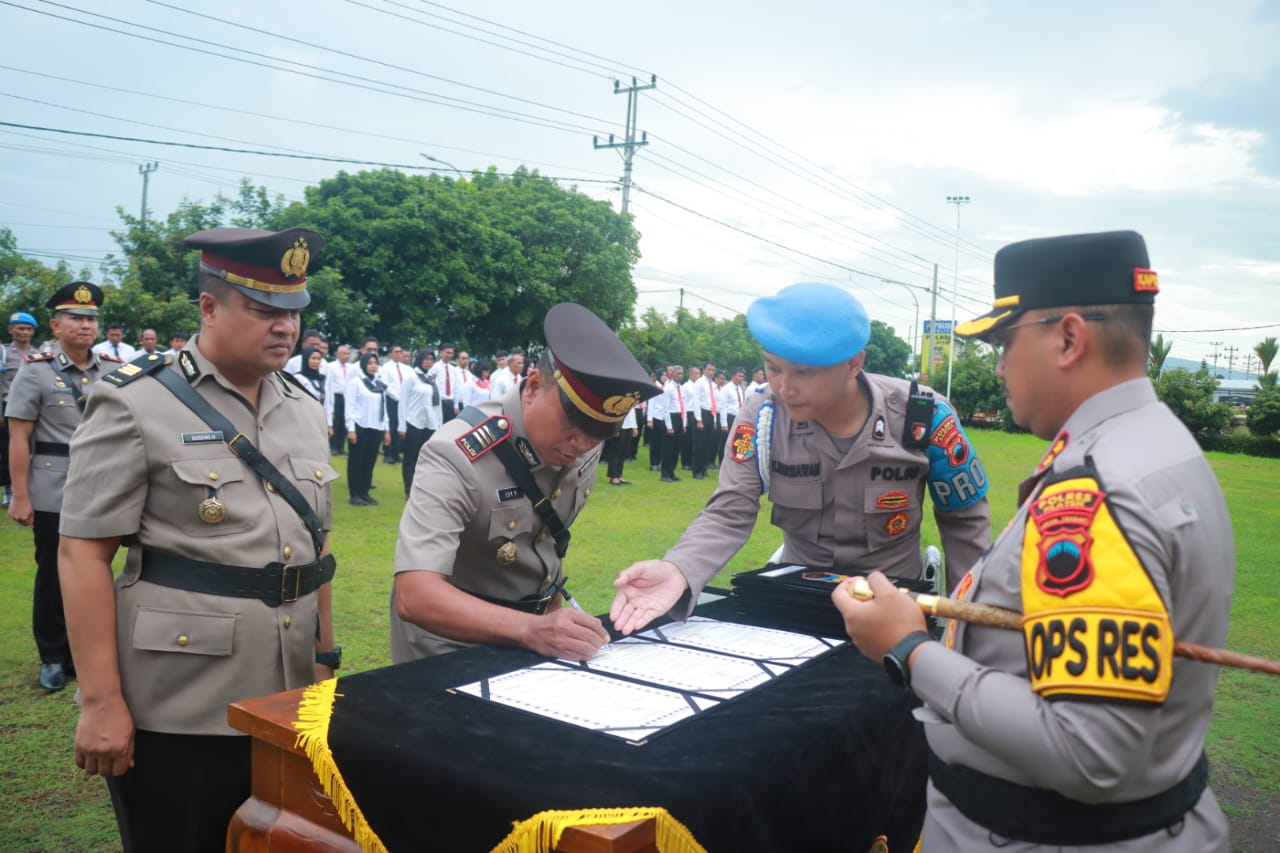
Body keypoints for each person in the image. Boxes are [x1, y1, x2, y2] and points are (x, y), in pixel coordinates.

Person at [832, 231, 1233, 851]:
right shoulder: (1158, 444)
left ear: (1068, 338)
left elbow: (1090, 752)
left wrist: (908, 648)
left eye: (1003, 342)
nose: (996, 366)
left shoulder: (1097, 492)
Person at [57, 226, 340, 853]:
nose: (285, 328)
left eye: (293, 312)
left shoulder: (303, 406)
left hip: (287, 689)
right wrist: (100, 702)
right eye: (264, 310)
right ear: (208, 307)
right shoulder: (136, 401)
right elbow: (83, 552)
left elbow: (315, 545)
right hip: (181, 697)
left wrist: (324, 655)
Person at [610, 282, 992, 634]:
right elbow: (731, 508)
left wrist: (970, 621)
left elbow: (964, 522)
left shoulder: (922, 416)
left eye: (804, 372)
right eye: (773, 368)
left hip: (893, 606)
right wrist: (679, 569)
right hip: (794, 604)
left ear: (854, 364)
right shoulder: (762, 417)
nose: (785, 387)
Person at [390, 303, 661, 662]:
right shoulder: (454, 454)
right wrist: (532, 630)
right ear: (533, 387)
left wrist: (551, 615)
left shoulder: (582, 450)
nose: (581, 445)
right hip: (450, 647)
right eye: (574, 427)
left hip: (533, 641)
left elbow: (546, 541)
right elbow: (415, 594)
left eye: (598, 434)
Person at [7, 284, 117, 692]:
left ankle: (81, 652)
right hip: (54, 484)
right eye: (76, 317)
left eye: (91, 319)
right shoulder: (35, 370)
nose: (85, 325)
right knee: (54, 572)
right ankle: (53, 655)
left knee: (98, 571)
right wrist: (20, 495)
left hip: (105, 483)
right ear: (55, 325)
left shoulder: (112, 369)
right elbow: (19, 437)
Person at [1, 310, 39, 508]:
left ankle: (31, 488)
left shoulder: (38, 354)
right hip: (8, 407)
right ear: (11, 330)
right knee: (9, 448)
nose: (24, 332)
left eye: (28, 329)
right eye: (20, 328)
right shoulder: (4, 353)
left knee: (34, 448)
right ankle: (9, 490)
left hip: (34, 407)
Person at [345, 350, 390, 505]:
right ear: (363, 365)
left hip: (376, 426)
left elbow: (384, 408)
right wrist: (351, 429)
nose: (373, 366)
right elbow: (350, 406)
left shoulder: (379, 384)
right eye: (369, 363)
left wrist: (386, 429)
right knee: (357, 460)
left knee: (370, 461)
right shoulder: (355, 382)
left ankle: (365, 492)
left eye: (375, 363)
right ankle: (355, 493)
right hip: (360, 425)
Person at [397, 348, 442, 497]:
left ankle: (422, 488)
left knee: (425, 459)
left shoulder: (432, 379)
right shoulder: (411, 377)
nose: (429, 362)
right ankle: (409, 489)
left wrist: (439, 425)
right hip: (414, 422)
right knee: (410, 458)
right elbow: (402, 402)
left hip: (430, 423)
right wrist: (401, 425)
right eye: (426, 359)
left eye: (431, 359)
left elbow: (437, 404)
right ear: (420, 359)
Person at [378, 344, 408, 464]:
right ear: (390, 354)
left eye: (401, 352)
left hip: (402, 401)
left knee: (399, 426)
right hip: (391, 400)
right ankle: (388, 453)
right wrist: (397, 397)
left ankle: (396, 453)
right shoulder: (386, 367)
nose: (399, 354)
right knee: (390, 426)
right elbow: (384, 385)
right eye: (396, 352)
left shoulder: (405, 368)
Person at [325, 343, 352, 455]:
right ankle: (333, 446)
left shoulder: (351, 367)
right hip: (336, 396)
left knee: (344, 422)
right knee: (335, 421)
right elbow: (329, 384)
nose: (346, 356)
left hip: (347, 396)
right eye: (344, 353)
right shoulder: (331, 366)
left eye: (348, 354)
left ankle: (341, 447)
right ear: (338, 354)